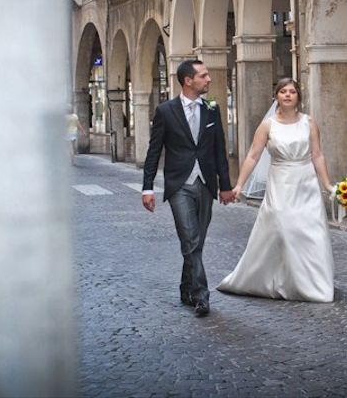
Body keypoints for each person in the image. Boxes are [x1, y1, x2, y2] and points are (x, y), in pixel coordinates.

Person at [217, 78, 335, 303]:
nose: (288, 95)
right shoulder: (268, 125)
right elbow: (253, 155)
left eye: (292, 91)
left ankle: (315, 285)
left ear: (298, 96)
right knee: (284, 229)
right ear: (276, 96)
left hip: (306, 183)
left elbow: (317, 155)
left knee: (311, 231)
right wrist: (239, 184)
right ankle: (279, 279)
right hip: (280, 184)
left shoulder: (309, 123)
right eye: (283, 91)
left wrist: (327, 185)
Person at [142, 59, 234, 317]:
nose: (209, 79)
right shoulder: (166, 111)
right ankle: (201, 296)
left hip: (205, 183)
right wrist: (147, 188)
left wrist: (225, 186)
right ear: (188, 81)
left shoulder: (212, 109)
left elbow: (219, 150)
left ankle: (185, 287)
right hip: (179, 185)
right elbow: (154, 151)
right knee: (191, 240)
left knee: (195, 242)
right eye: (204, 76)